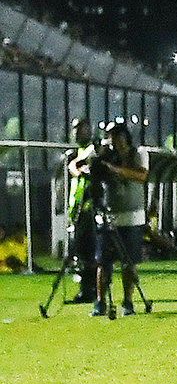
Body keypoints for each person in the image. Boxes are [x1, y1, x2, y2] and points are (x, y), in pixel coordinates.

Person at [92, 120, 149, 318]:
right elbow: (81, 167)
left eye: (115, 136)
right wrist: (98, 160)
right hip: (108, 216)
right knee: (103, 262)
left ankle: (128, 302)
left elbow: (141, 176)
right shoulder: (105, 155)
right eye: (109, 137)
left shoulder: (139, 153)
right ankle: (99, 303)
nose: (112, 141)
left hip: (132, 217)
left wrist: (114, 169)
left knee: (129, 262)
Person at [61, 119, 100, 305]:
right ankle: (86, 289)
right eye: (75, 130)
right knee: (82, 253)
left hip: (89, 209)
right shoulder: (76, 153)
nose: (77, 133)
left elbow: (84, 169)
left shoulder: (94, 148)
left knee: (89, 251)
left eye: (81, 130)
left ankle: (91, 290)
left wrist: (78, 166)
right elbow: (76, 169)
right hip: (77, 207)